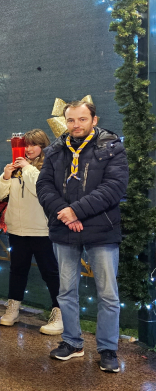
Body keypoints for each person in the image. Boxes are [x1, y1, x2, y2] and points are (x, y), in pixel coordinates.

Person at [37, 101, 128, 373]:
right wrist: (65, 213)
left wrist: (75, 211)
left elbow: (114, 187)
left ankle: (108, 349)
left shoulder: (111, 146)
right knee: (66, 291)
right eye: (71, 120)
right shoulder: (55, 150)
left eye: (82, 119)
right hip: (64, 228)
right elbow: (44, 186)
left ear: (94, 119)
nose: (76, 125)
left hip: (102, 230)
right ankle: (72, 343)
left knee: (108, 294)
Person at [0, 129, 63, 335]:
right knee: (17, 270)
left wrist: (27, 168)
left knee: (50, 272)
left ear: (43, 146)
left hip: (42, 230)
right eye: (26, 145)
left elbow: (41, 190)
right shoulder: (17, 165)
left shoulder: (50, 166)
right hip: (17, 229)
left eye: (34, 145)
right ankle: (13, 309)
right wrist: (6, 176)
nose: (29, 149)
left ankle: (60, 314)